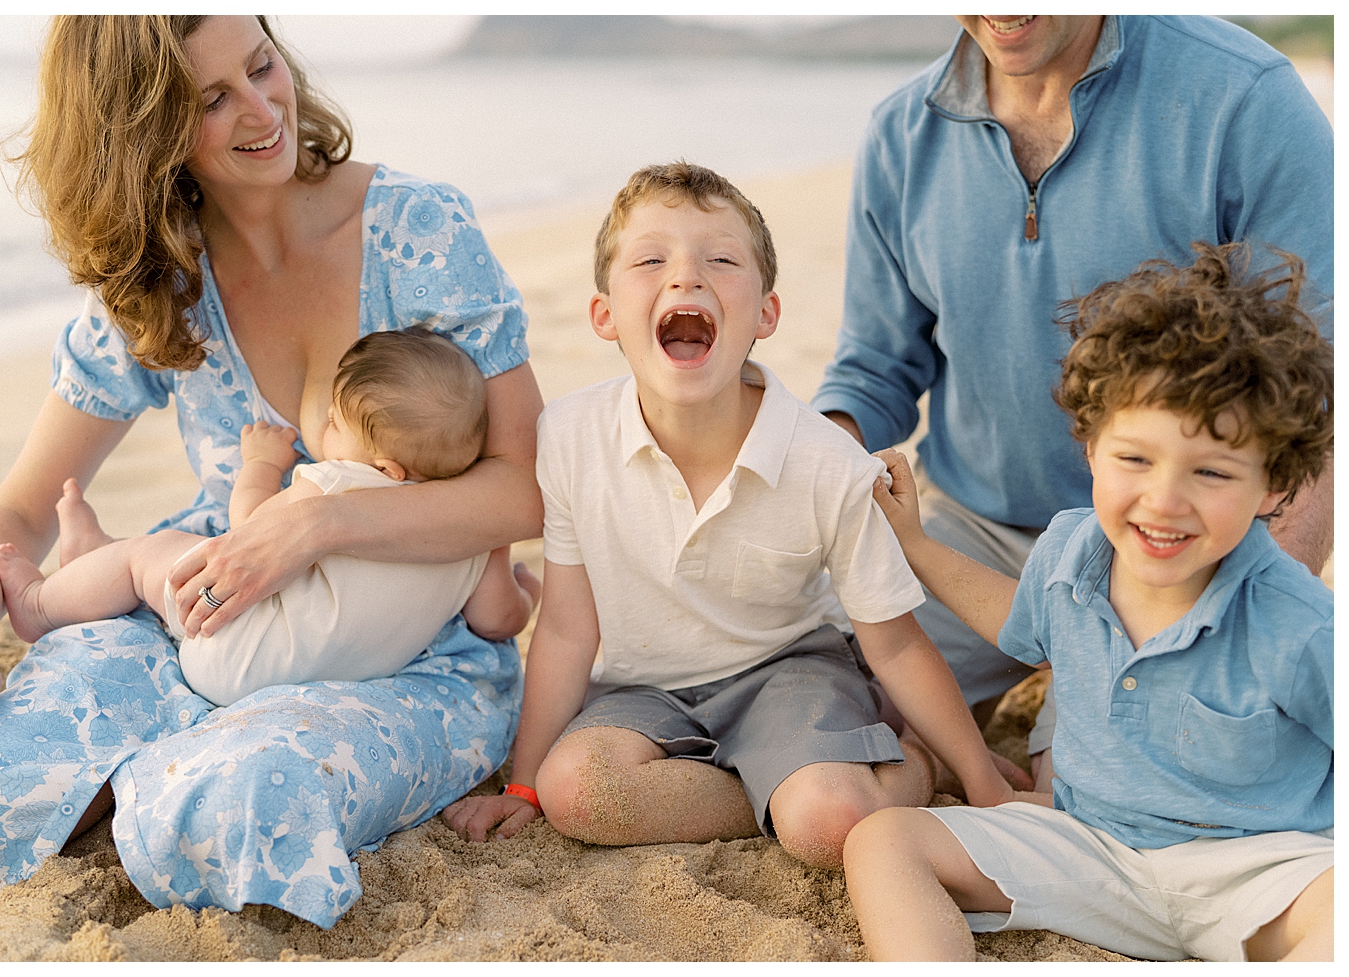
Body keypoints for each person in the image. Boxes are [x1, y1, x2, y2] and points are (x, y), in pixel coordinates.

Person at [0, 15, 545, 930]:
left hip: (405, 653)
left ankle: (147, 781)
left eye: (262, 65)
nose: (263, 109)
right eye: (213, 98)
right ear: (144, 132)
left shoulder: (420, 229)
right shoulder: (161, 274)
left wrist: (317, 522)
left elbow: (521, 487)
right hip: (205, 613)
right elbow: (20, 502)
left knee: (232, 802)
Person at [442, 162, 1031, 865]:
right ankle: (772, 786)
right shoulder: (569, 437)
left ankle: (911, 763)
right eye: (651, 259)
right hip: (645, 690)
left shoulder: (826, 462)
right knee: (577, 791)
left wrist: (980, 775)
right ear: (604, 314)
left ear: (766, 313)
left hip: (792, 673)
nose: (686, 277)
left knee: (827, 823)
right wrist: (525, 785)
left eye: (720, 260)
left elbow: (896, 645)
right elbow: (567, 628)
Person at [810, 14, 1335, 787]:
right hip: (970, 528)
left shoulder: (1246, 100)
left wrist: (1241, 615)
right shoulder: (899, 134)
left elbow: (1305, 391)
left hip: (1174, 539)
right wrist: (798, 467)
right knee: (838, 725)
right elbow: (877, 366)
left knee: (1096, 779)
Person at [845, 243, 1333, 961]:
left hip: (1253, 868)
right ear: (1091, 447)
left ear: (1272, 484)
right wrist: (915, 542)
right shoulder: (1073, 553)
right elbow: (1012, 611)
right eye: (1136, 459)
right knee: (883, 838)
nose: (1165, 500)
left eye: (1211, 471)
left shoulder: (1294, 619)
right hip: (1089, 847)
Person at [0, 328, 542, 707]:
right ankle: (95, 560)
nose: (323, 429)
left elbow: (248, 533)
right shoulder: (469, 533)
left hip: (236, 652)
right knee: (145, 568)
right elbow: (498, 620)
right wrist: (521, 588)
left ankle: (41, 605)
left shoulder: (333, 484)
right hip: (338, 680)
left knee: (145, 559)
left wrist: (261, 464)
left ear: (388, 469)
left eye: (334, 421)